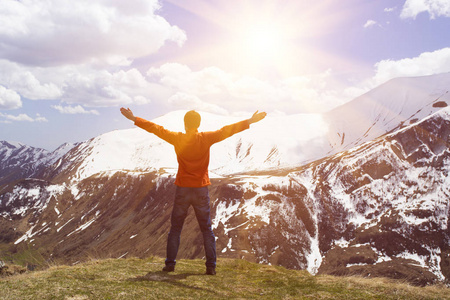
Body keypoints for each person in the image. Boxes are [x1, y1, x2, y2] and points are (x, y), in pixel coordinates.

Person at [120, 108, 266, 275]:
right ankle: (211, 267)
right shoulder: (205, 138)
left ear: (185, 124)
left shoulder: (177, 138)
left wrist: (134, 118)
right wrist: (250, 121)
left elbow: (155, 128)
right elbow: (226, 131)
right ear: (198, 124)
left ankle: (170, 265)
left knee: (175, 229)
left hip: (183, 188)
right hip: (200, 189)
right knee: (206, 229)